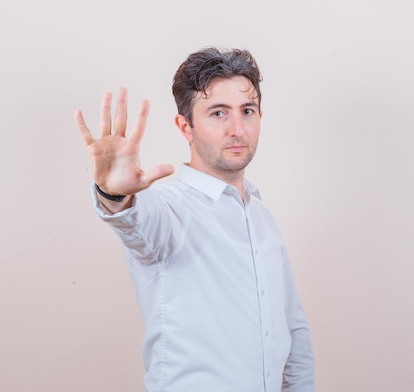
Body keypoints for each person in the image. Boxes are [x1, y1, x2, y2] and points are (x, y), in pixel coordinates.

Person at [74, 47, 315, 392]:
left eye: (247, 111)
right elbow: (135, 222)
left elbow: (293, 331)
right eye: (218, 113)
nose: (237, 129)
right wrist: (114, 194)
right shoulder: (169, 210)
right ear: (185, 127)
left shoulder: (263, 218)